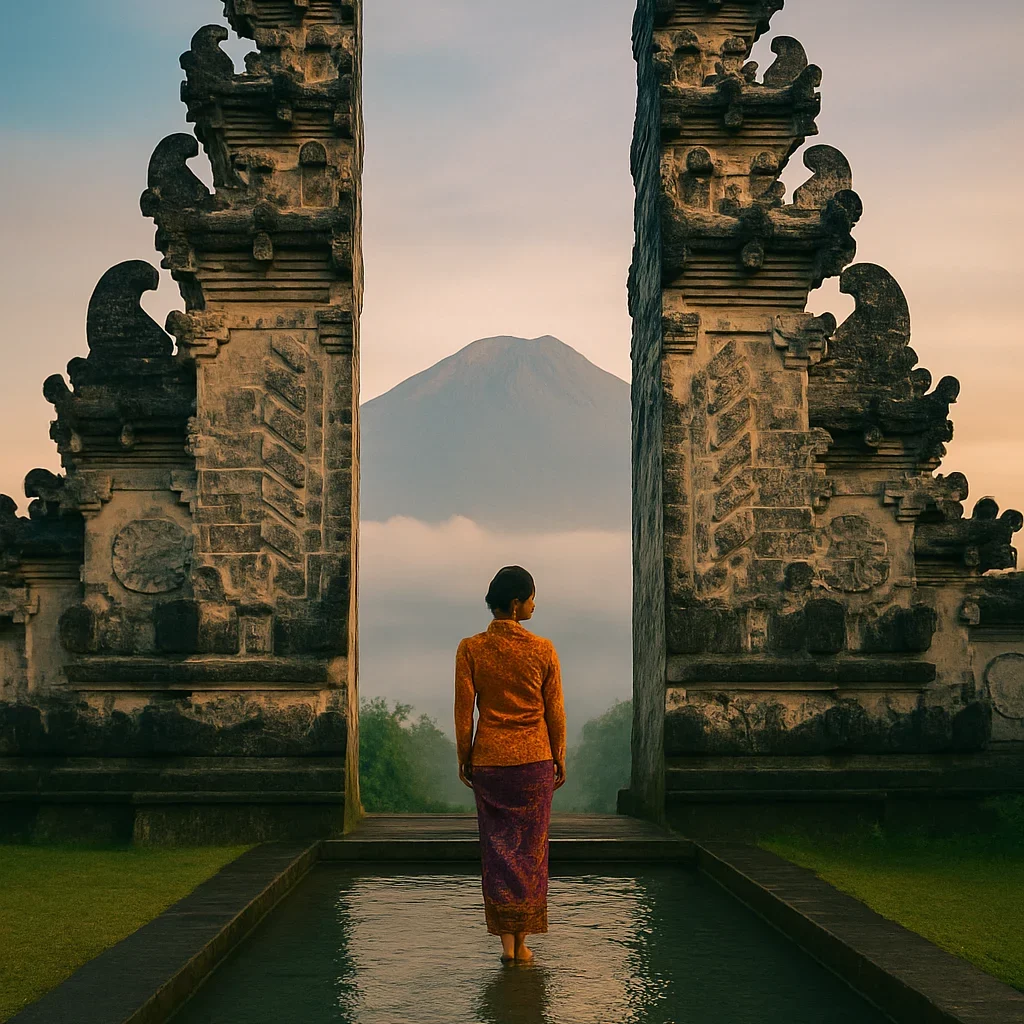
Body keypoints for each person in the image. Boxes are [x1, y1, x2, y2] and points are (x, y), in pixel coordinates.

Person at [454, 565, 567, 963]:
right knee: (531, 853)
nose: (535, 604)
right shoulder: (543, 649)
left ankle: (507, 946)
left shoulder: (471, 648)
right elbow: (555, 712)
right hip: (534, 761)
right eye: (532, 597)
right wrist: (560, 756)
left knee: (498, 852)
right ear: (516, 604)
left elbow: (464, 711)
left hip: (490, 762)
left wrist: (464, 756)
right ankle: (523, 944)